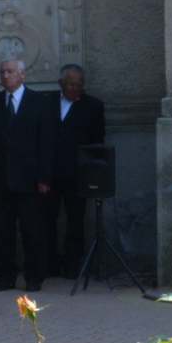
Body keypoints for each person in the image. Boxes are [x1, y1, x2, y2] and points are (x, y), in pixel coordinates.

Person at [0, 57, 56, 292]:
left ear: (22, 75)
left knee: (32, 231)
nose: (5, 76)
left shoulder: (39, 102)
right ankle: (6, 276)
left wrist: (44, 178)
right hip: (1, 180)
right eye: (2, 72)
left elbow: (46, 143)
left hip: (30, 181)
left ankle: (34, 277)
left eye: (10, 71)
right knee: (2, 232)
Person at [50, 63, 107, 276]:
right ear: (61, 84)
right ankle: (49, 263)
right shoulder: (47, 103)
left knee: (76, 221)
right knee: (47, 219)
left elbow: (97, 142)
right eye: (70, 84)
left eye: (79, 84)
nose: (75, 88)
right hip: (51, 173)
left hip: (77, 175)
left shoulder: (93, 106)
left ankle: (73, 265)